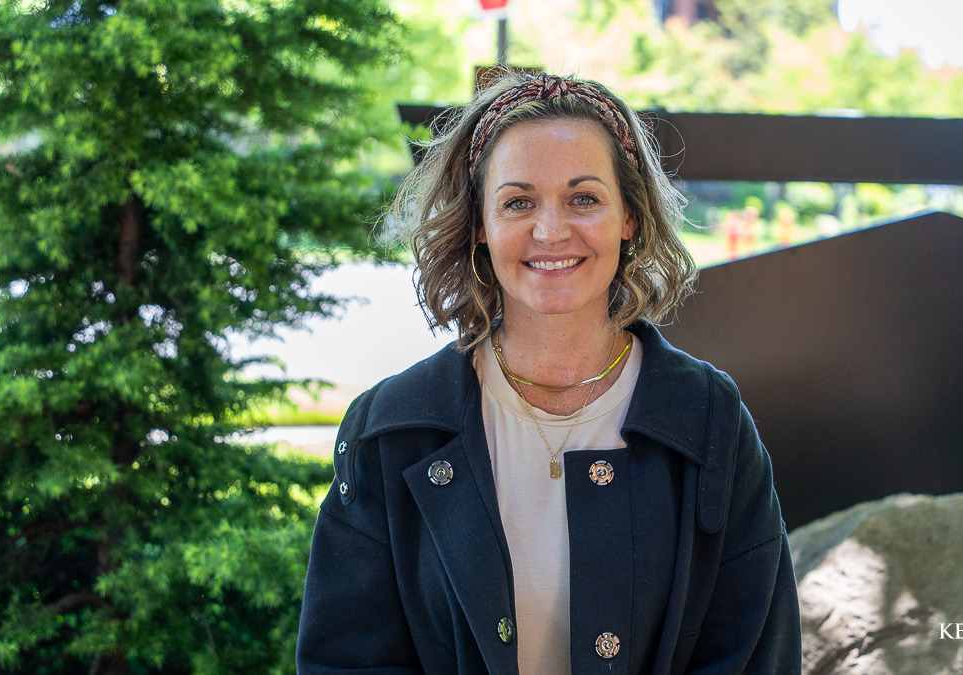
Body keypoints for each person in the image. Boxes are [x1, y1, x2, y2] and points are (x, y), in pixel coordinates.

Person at [296, 71, 800, 674]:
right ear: (480, 226)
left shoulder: (711, 421)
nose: (551, 230)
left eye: (584, 198)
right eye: (518, 202)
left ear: (630, 216)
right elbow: (347, 662)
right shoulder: (392, 430)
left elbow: (754, 659)